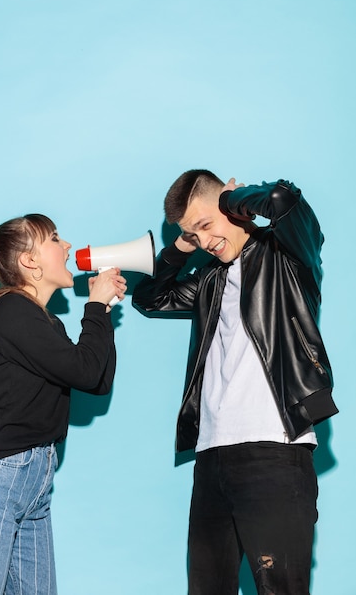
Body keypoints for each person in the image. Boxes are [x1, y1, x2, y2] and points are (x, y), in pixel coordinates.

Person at [132, 170, 338, 595]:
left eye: (205, 225)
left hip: (274, 449)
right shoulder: (211, 278)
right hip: (212, 456)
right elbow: (150, 298)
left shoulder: (288, 257)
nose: (204, 241)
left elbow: (284, 199)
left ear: (230, 207)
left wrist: (235, 198)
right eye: (193, 234)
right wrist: (179, 246)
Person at [0, 213, 127, 595]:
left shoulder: (46, 323)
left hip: (31, 486)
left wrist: (102, 310)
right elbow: (86, 371)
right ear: (30, 262)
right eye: (55, 239)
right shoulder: (12, 311)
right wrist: (93, 306)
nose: (68, 247)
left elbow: (97, 379)